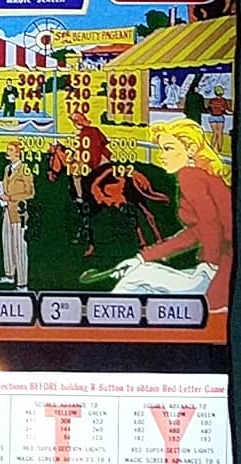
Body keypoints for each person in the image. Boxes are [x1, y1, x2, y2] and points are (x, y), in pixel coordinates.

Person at [112, 119, 232, 311]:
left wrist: (210, 264)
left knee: (135, 280)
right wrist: (142, 258)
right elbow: (196, 232)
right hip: (223, 271)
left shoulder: (190, 177)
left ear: (190, 149)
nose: (161, 156)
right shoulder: (202, 177)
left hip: (220, 273)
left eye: (168, 148)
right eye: (160, 149)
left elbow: (210, 224)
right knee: (141, 275)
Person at [0, 139, 35, 288]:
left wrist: (10, 197)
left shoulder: (24, 169)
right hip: (6, 210)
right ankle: (9, 274)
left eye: (10, 150)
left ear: (18, 153)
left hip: (19, 212)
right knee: (7, 243)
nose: (7, 152)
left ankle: (22, 283)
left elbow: (30, 192)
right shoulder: (7, 169)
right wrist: (0, 192)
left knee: (19, 246)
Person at [71, 109, 111, 174]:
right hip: (87, 160)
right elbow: (104, 141)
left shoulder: (94, 130)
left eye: (79, 120)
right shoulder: (80, 133)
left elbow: (104, 141)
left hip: (99, 158)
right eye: (75, 120)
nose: (77, 122)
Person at [206, 87, 231, 152]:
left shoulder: (212, 100)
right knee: (220, 133)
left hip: (212, 117)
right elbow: (226, 110)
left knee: (215, 133)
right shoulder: (223, 100)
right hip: (220, 117)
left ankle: (212, 146)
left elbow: (209, 109)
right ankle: (219, 148)